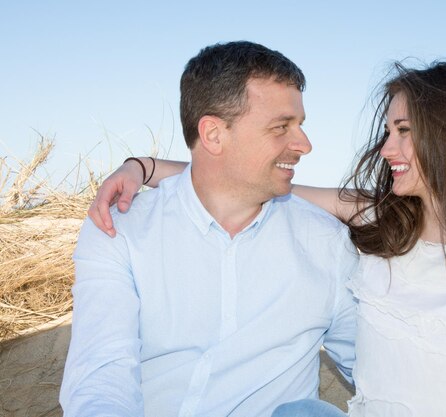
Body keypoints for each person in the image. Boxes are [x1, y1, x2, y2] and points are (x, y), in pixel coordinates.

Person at [90, 63, 446, 416]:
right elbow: (244, 179)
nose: (387, 148)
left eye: (404, 132)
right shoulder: (384, 219)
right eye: (388, 131)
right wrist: (143, 167)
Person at [60, 41, 360, 417]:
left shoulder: (325, 242)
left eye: (300, 125)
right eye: (281, 127)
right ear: (214, 135)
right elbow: (101, 375)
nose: (304, 144)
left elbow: (373, 371)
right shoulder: (123, 230)